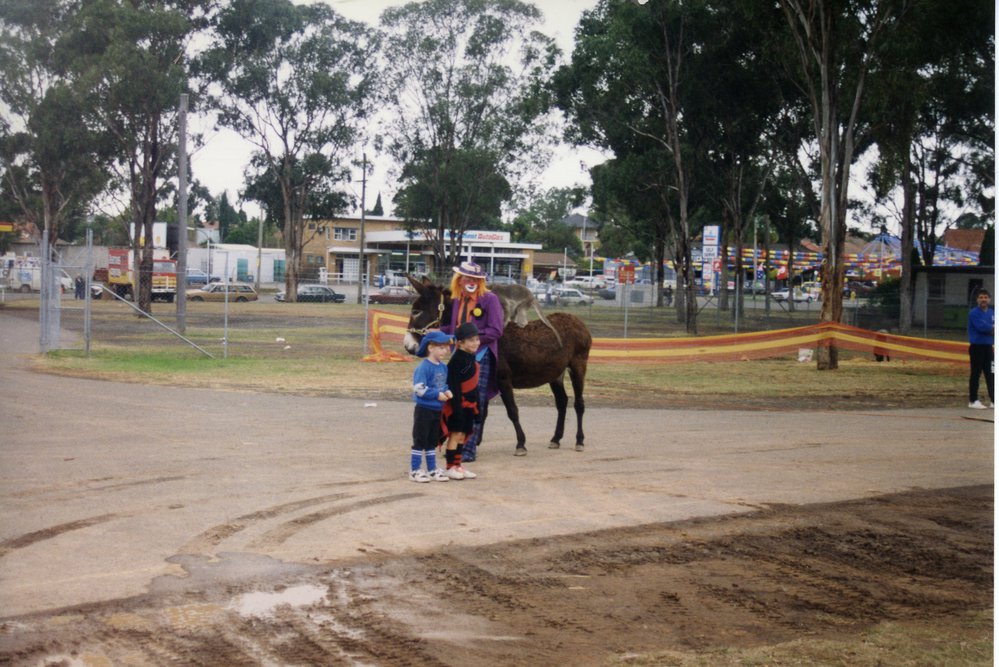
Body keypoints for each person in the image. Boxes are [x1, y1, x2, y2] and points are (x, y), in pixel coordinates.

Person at [440, 261, 504, 462]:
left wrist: (473, 341)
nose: (471, 281)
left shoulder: (490, 299)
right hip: (458, 356)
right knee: (456, 399)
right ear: (459, 280)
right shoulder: (458, 300)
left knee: (474, 401)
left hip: (480, 356)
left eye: (475, 278)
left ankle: (468, 448)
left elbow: (496, 330)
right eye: (466, 277)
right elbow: (454, 329)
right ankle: (455, 446)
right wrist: (438, 333)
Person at [410, 330, 453, 482]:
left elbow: (443, 384)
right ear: (430, 348)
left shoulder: (443, 367)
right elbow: (419, 388)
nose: (445, 350)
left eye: (446, 347)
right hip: (424, 409)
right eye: (441, 347)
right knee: (420, 439)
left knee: (432, 440)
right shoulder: (424, 367)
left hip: (437, 409)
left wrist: (447, 391)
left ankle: (432, 469)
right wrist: (436, 395)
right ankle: (415, 470)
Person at [440, 322, 480, 480]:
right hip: (458, 404)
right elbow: (454, 386)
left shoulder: (471, 358)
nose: (475, 343)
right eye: (471, 340)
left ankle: (458, 466)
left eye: (477, 339)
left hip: (470, 404)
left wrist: (478, 407)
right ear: (459, 343)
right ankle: (450, 467)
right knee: (455, 435)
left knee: (463, 435)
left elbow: (474, 384)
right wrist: (456, 408)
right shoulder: (457, 361)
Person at [967, 288, 994, 409]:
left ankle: (994, 400)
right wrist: (992, 329)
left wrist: (992, 329)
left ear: (989, 299)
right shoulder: (974, 313)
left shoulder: (993, 312)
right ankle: (973, 400)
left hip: (989, 348)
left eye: (985, 297)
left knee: (992, 373)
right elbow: (982, 328)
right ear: (977, 299)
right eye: (981, 297)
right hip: (977, 347)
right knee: (976, 374)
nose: (983, 299)